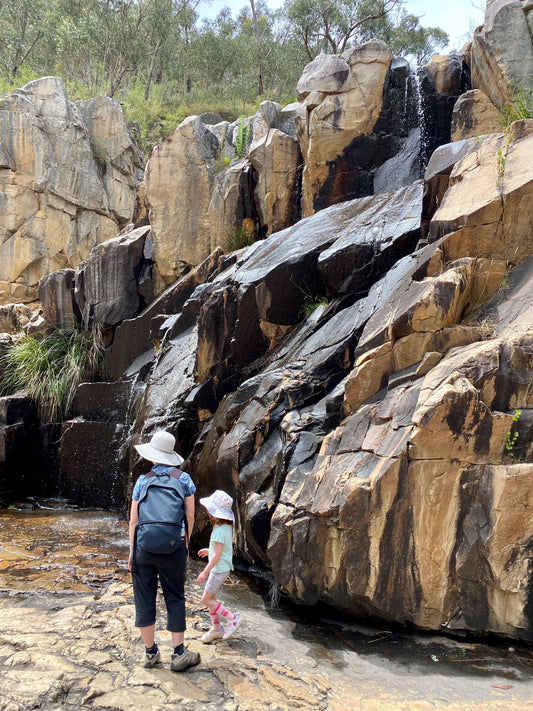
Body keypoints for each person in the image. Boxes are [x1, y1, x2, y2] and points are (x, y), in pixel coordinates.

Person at [128, 430, 200, 672]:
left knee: (144, 598)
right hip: (173, 547)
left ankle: (150, 653)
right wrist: (186, 543)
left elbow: (133, 522)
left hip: (144, 548)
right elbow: (190, 515)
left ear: (152, 456)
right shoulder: (184, 479)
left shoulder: (142, 480)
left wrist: (132, 552)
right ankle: (178, 653)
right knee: (175, 596)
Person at [196, 490, 242, 642]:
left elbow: (217, 556)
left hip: (218, 570)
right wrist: (209, 550)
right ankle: (216, 628)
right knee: (212, 598)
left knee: (206, 600)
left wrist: (204, 572)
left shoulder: (219, 530)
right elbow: (221, 549)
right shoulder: (225, 527)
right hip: (222, 568)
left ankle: (232, 618)